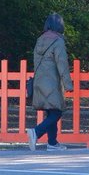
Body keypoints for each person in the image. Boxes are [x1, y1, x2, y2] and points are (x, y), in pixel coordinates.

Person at [27, 13, 72, 151]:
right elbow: (62, 64)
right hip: (52, 83)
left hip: (39, 82)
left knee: (51, 112)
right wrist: (68, 83)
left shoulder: (39, 40)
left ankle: (52, 143)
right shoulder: (58, 41)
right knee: (57, 112)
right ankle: (36, 132)